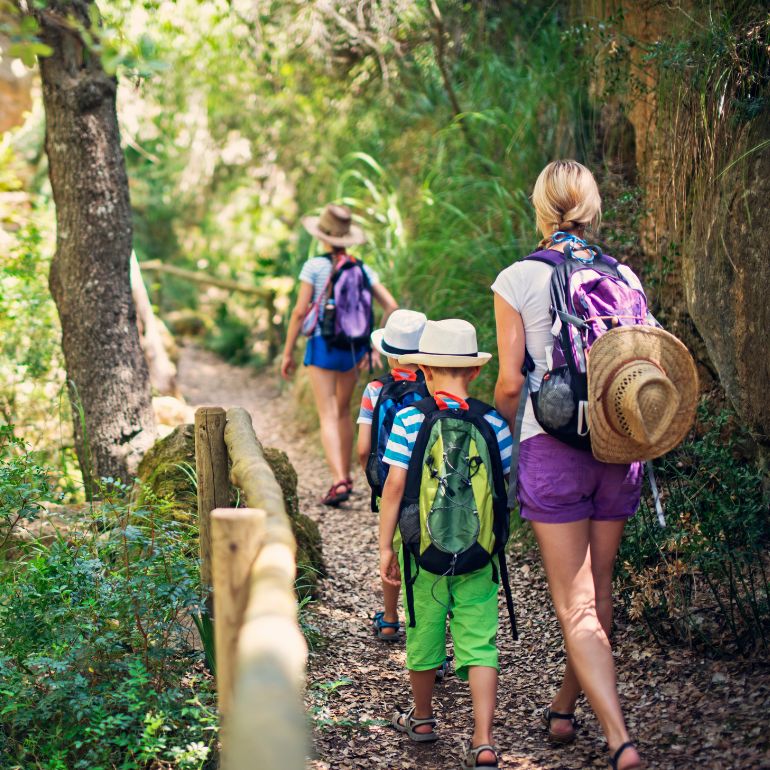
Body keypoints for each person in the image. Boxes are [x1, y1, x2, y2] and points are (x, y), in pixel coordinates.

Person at [492, 160, 643, 770]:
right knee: (598, 592)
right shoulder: (623, 275)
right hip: (618, 444)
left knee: (575, 603)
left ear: (540, 207)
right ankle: (564, 705)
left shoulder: (516, 278)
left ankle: (619, 739)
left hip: (552, 446)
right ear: (592, 205)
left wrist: (509, 429)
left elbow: (508, 382)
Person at [379, 319, 513, 770]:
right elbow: (501, 486)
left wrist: (385, 546)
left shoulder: (409, 419)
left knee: (423, 630)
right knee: (479, 641)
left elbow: (395, 488)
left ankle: (421, 718)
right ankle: (483, 738)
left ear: (425, 371)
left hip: (422, 554)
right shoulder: (493, 422)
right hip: (480, 553)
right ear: (473, 372)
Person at [281, 203, 398, 506]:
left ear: (322, 235)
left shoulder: (315, 267)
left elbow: (299, 311)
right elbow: (392, 307)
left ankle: (339, 480)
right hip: (353, 347)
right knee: (344, 411)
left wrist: (288, 352)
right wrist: (374, 346)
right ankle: (346, 474)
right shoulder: (362, 268)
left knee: (327, 413)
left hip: (322, 346)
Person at [356, 308, 429, 641]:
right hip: (431, 488)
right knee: (429, 558)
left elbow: (362, 446)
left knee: (393, 552)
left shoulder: (375, 390)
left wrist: (375, 478)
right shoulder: (436, 388)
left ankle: (388, 618)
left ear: (389, 355)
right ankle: (432, 637)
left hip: (392, 488)